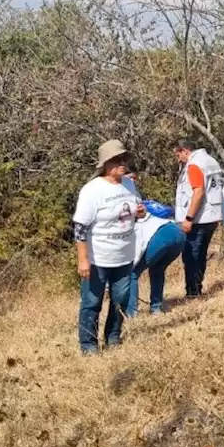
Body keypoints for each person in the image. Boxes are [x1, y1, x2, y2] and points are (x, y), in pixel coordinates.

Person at [72, 140, 145, 353]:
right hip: (98, 257)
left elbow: (135, 212)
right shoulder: (92, 190)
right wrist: (83, 259)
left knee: (120, 299)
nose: (123, 163)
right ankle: (89, 344)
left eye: (124, 159)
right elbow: (80, 227)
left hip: (123, 254)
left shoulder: (129, 184)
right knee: (92, 302)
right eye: (117, 160)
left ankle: (113, 337)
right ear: (106, 164)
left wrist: (139, 214)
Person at [122, 168, 185, 316]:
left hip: (160, 234)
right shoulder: (136, 199)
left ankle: (131, 313)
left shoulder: (126, 203)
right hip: (177, 232)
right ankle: (156, 307)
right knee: (157, 269)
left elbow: (138, 243)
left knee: (131, 272)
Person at [173, 138, 224, 299]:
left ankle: (193, 291)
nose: (178, 159)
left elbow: (198, 192)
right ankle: (196, 288)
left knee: (191, 255)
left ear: (185, 151)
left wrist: (189, 218)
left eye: (177, 154)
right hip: (212, 216)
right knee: (200, 253)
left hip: (198, 218)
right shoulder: (210, 161)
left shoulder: (194, 165)